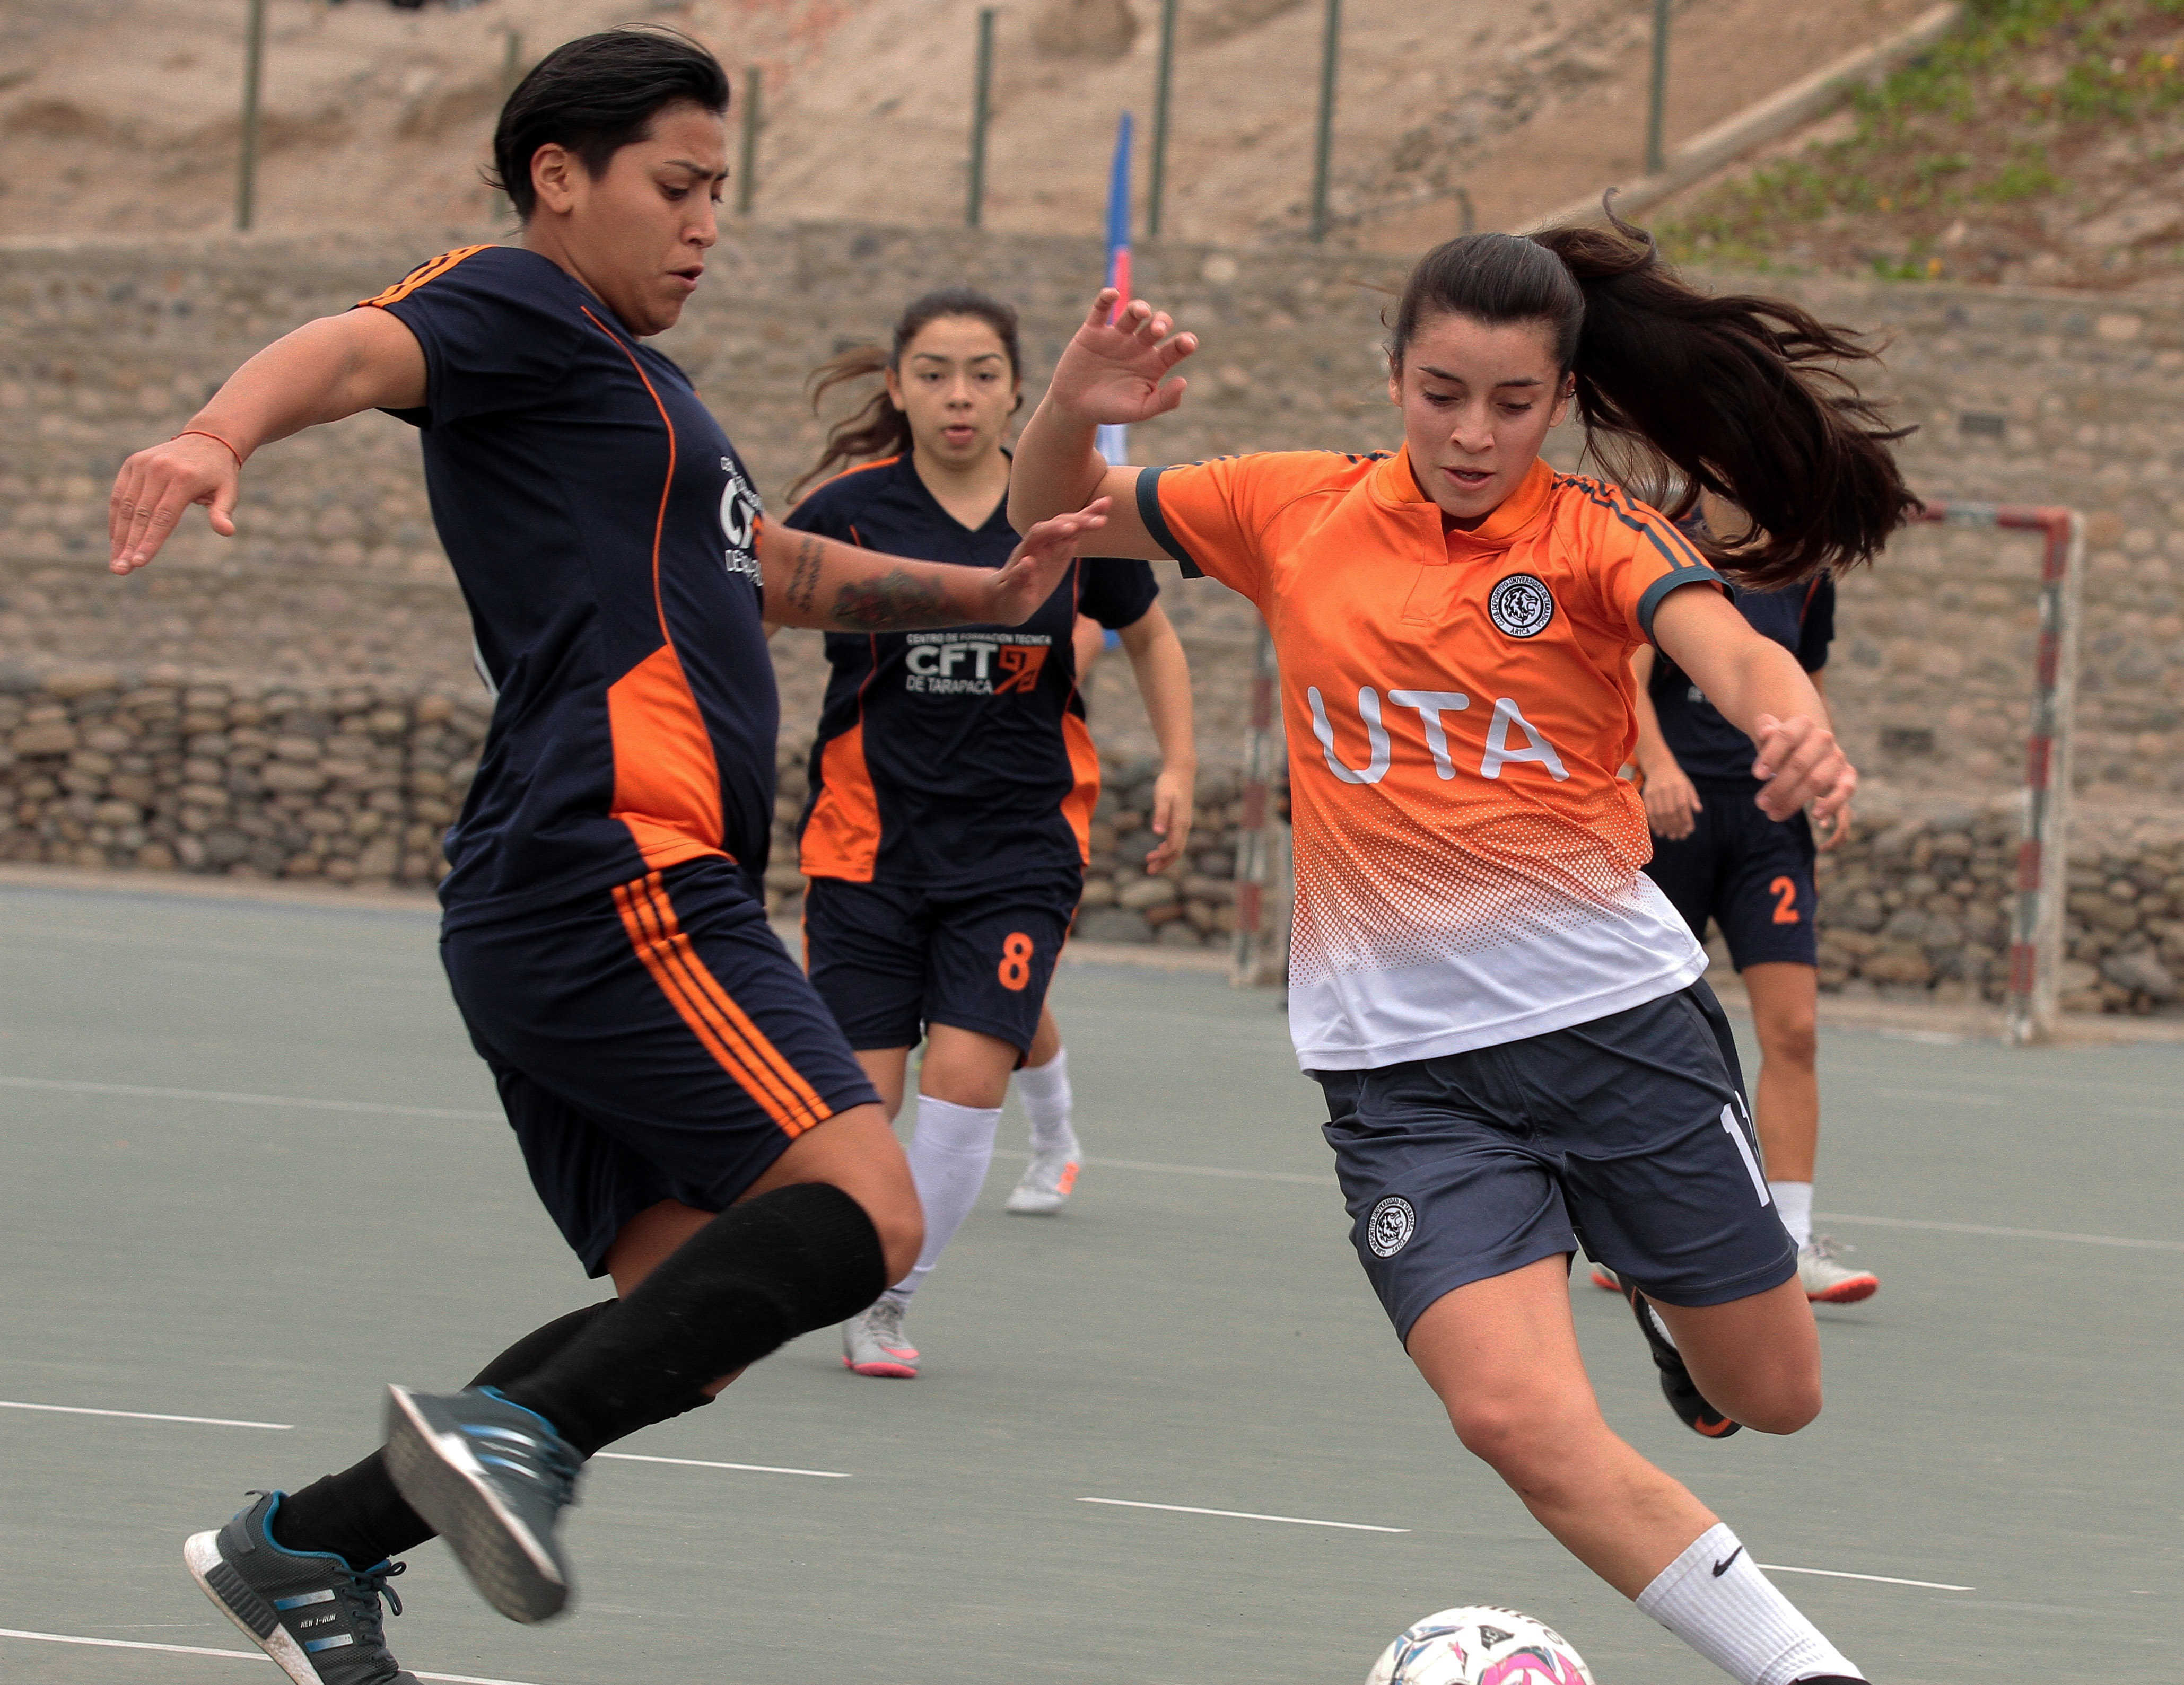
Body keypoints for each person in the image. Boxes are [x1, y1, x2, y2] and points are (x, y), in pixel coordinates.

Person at [103, 29, 1108, 1683]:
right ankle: (513, 1450)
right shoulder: (517, 304)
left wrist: (983, 592)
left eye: (721, 190)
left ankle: (307, 1550)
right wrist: (218, 431)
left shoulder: (645, 395)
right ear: (559, 180)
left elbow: (766, 566)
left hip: (556, 887)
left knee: (690, 1321)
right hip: (613, 860)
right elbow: (357, 350)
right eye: (675, 185)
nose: (706, 222)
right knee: (866, 1212)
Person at [1006, 213, 1917, 1685]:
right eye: (1440, 393)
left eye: (1509, 401)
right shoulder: (1288, 507)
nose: (1473, 432)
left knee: (1776, 1393)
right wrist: (1069, 403)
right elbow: (1043, 513)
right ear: (1391, 377)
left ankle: (1681, 1328)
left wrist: (1781, 714)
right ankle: (1806, 1672)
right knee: (1508, 1419)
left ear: (1557, 398)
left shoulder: (1595, 536)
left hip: (1614, 1027)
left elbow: (1722, 644)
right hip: (1403, 1077)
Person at [776, 287, 1196, 1378]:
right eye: (932, 372)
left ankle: (889, 1296)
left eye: (979, 374)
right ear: (896, 387)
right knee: (861, 1103)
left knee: (966, 1073)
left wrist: (1181, 766)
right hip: (866, 846)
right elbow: (744, 609)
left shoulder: (1071, 508)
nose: (957, 396)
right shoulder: (845, 515)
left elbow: (1149, 638)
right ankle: (833, 1257)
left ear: (1020, 390)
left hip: (1017, 848)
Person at [1596, 557, 1879, 1304]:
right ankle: (1628, 1228)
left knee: (1794, 1028)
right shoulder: (1665, 549)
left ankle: (1789, 1239)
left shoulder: (1808, 572)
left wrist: (1825, 769)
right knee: (1642, 1027)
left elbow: (1804, 686)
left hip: (1768, 825)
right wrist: (1651, 766)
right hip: (1672, 814)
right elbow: (1626, 669)